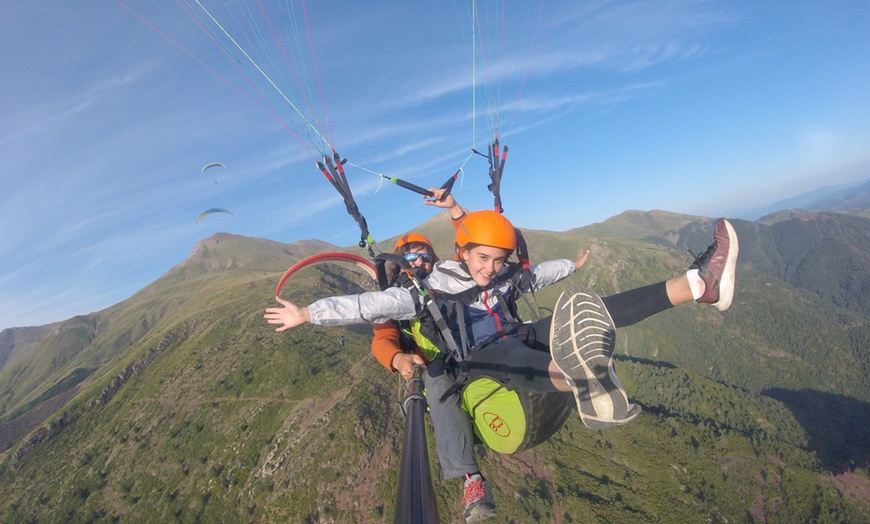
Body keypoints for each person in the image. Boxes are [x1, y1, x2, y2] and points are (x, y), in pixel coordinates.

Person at [265, 210, 738, 523]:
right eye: (483, 258)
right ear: (461, 253)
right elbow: (372, 308)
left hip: (510, 332)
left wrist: (571, 268)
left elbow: (529, 275)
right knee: (460, 377)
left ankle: (697, 285)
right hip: (468, 358)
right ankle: (566, 394)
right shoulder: (417, 295)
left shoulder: (491, 271)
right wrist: (309, 314)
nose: (490, 268)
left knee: (583, 314)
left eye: (496, 260)